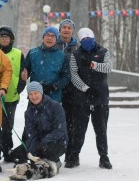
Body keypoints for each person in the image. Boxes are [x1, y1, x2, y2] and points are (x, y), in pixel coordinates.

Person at [65, 28, 113, 169]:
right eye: (84, 39)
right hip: (81, 98)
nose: (87, 41)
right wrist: (86, 88)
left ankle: (104, 157)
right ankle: (74, 156)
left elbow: (109, 68)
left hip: (101, 98)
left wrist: (95, 65)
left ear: (94, 37)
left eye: (89, 38)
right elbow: (73, 75)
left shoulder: (103, 52)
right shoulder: (76, 54)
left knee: (101, 129)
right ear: (80, 40)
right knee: (78, 130)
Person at [12, 81, 68, 170]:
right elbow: (31, 134)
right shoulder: (28, 112)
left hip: (57, 142)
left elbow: (59, 130)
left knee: (46, 150)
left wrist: (43, 142)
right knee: (18, 153)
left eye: (36, 93)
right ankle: (37, 158)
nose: (33, 96)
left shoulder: (55, 106)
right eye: (30, 94)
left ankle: (55, 161)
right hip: (39, 141)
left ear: (41, 92)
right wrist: (31, 151)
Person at [0, 25, 26, 162]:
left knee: (7, 129)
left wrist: (18, 89)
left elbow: (23, 75)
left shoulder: (18, 54)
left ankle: (7, 151)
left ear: (11, 39)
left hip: (11, 98)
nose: (4, 39)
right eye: (1, 36)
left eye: (6, 36)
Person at [22, 26, 70, 102]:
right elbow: (25, 71)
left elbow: (66, 77)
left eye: (53, 36)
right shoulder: (33, 53)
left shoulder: (61, 56)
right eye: (47, 35)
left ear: (56, 39)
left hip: (54, 97)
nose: (49, 38)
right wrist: (24, 75)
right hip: (35, 96)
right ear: (43, 37)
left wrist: (54, 87)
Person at [55, 19, 79, 162]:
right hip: (55, 89)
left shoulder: (78, 47)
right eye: (64, 27)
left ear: (72, 31)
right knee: (55, 122)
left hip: (73, 90)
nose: (66, 30)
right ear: (60, 30)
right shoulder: (53, 44)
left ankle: (71, 155)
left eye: (69, 27)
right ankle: (53, 153)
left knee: (71, 124)